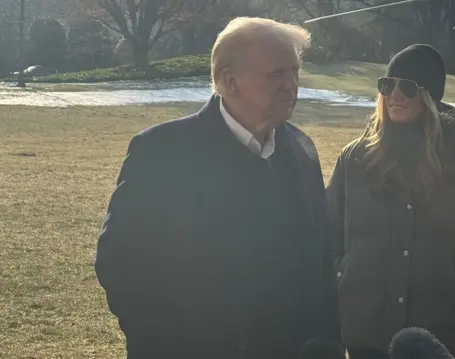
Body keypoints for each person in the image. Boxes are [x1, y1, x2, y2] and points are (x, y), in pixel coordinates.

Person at [95, 17, 341, 359]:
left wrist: (326, 344)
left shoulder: (301, 150)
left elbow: (320, 262)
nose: (291, 85)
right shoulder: (162, 152)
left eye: (294, 72)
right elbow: (121, 264)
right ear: (231, 82)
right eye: (276, 74)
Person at [326, 44, 455, 359]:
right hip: (365, 333)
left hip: (438, 335)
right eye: (387, 84)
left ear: (430, 97)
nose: (394, 95)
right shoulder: (355, 157)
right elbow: (327, 231)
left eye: (408, 87)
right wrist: (342, 281)